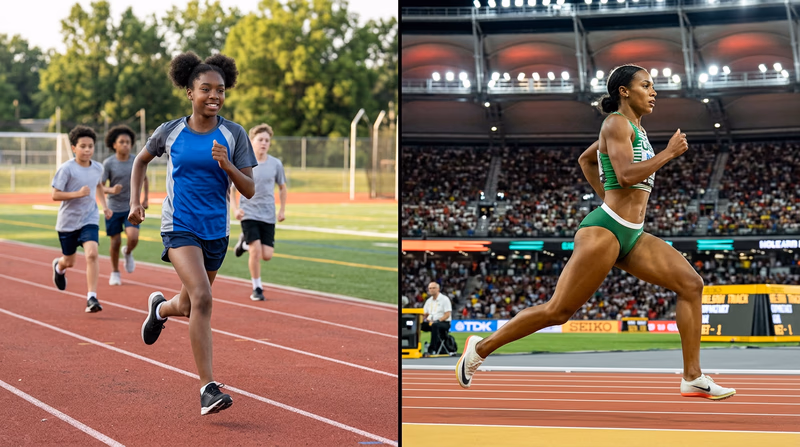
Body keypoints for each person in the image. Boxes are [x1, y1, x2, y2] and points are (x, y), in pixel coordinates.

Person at [456, 64, 736, 401]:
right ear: (624, 92)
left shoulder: (636, 128)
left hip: (633, 233)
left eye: (653, 86)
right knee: (558, 311)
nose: (654, 92)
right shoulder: (615, 123)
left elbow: (586, 160)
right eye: (646, 85)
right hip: (604, 230)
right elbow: (626, 175)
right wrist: (667, 154)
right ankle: (480, 349)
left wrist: (608, 196)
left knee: (691, 285)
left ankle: (692, 376)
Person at [129, 51, 257, 415]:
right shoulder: (170, 131)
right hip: (179, 226)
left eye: (220, 90)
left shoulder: (234, 134)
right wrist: (136, 202)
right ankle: (207, 388)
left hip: (215, 231)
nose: (214, 95)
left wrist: (228, 164)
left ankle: (160, 309)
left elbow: (249, 189)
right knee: (203, 297)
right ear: (189, 92)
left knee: (188, 305)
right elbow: (140, 161)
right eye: (206, 89)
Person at [51, 125, 108, 313]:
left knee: (92, 254)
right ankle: (59, 267)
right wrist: (77, 194)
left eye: (90, 146)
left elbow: (98, 186)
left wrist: (105, 206)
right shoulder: (67, 169)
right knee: (69, 261)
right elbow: (55, 195)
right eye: (83, 146)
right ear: (74, 148)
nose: (87, 150)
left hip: (89, 218)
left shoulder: (98, 167)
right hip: (68, 222)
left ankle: (92, 297)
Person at [230, 123, 287, 301]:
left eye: (267, 140)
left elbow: (282, 187)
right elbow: (231, 189)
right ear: (252, 141)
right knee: (255, 251)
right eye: (260, 140)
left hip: (268, 214)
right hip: (249, 213)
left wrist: (282, 210)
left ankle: (244, 244)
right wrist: (235, 209)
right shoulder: (243, 163)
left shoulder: (276, 164)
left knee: (267, 255)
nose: (264, 143)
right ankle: (257, 287)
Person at [102, 124, 148, 285]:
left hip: (131, 207)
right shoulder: (108, 163)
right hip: (114, 208)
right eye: (121, 142)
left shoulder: (136, 160)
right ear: (114, 144)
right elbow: (100, 187)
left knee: (133, 237)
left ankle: (127, 252)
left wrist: (145, 198)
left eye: (128, 142)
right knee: (115, 242)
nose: (125, 145)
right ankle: (115, 272)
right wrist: (111, 190)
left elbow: (145, 179)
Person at [422, 282, 452, 355]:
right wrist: (423, 319)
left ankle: (432, 349)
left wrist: (437, 321)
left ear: (438, 289)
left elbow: (447, 314)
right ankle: (415, 347)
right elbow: (424, 314)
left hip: (444, 323)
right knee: (418, 325)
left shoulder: (444, 299)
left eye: (433, 288)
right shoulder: (428, 301)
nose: (431, 290)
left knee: (435, 325)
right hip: (430, 322)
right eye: (430, 288)